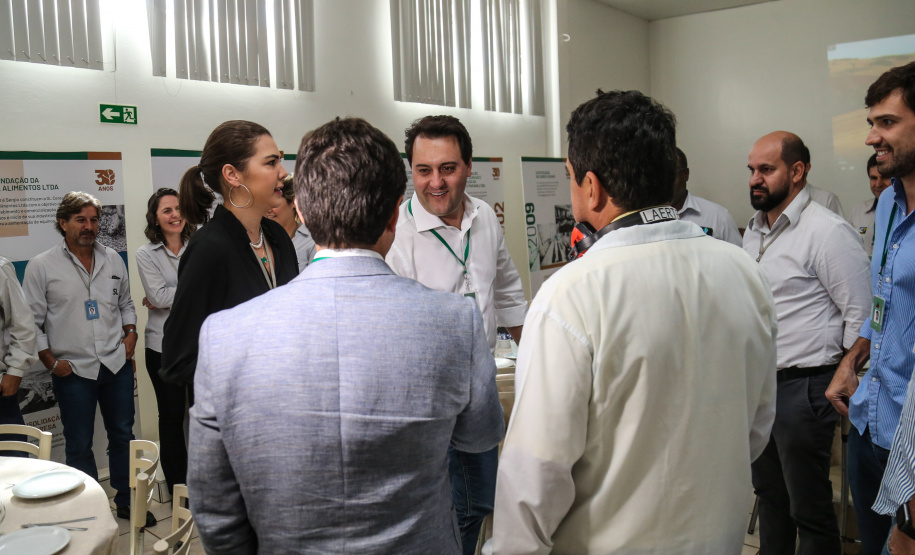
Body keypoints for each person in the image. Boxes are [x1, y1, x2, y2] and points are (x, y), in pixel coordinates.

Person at [187, 117, 504, 554]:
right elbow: (479, 437)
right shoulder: (454, 322)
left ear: (300, 211)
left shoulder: (224, 336)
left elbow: (214, 507)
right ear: (396, 211)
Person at [488, 90, 778, 554]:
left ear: (591, 186)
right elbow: (757, 426)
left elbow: (536, 473)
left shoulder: (573, 294)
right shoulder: (745, 272)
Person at [385, 114, 528, 554]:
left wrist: (538, 364)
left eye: (447, 168)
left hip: (480, 388)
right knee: (451, 511)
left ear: (468, 166)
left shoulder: (484, 215)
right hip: (428, 401)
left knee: (478, 502)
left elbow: (507, 290)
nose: (435, 183)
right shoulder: (397, 235)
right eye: (423, 170)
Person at [744, 131, 871, 555]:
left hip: (805, 388)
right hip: (761, 386)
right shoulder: (754, 231)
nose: (755, 180)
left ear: (797, 172)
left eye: (766, 169)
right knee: (770, 499)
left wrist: (846, 372)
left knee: (809, 510)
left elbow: (862, 313)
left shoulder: (827, 231)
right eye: (751, 170)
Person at [22, 191, 154, 525]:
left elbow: (125, 302)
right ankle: (91, 509)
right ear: (62, 223)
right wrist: (51, 362)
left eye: (94, 219)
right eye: (80, 219)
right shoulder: (41, 266)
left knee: (123, 436)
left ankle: (127, 502)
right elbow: (32, 322)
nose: (89, 226)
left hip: (115, 364)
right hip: (72, 371)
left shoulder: (112, 258)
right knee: (79, 444)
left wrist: (131, 333)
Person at [827, 60, 915, 555]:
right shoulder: (886, 204)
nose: (871, 138)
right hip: (868, 423)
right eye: (871, 123)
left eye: (888, 122)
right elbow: (885, 300)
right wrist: (852, 358)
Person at [160, 120, 298, 385]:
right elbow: (178, 360)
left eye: (279, 161)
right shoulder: (209, 248)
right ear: (233, 175)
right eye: (271, 163)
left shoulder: (277, 236)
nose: (283, 172)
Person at [135, 188, 193, 493]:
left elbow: (162, 297)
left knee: (200, 416)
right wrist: (193, 291)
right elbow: (156, 296)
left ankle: (203, 479)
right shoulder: (146, 253)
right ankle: (177, 485)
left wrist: (165, 299)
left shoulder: (198, 245)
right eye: (167, 211)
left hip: (197, 344)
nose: (175, 215)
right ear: (155, 219)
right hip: (162, 347)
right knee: (170, 417)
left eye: (178, 208)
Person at [0, 255, 38, 454]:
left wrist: (15, 372)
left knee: (14, 466)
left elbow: (23, 325)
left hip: (1, 393)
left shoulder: (1, 268)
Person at [671, 147, 742, 245]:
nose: (665, 182)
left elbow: (737, 258)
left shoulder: (718, 217)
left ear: (686, 174)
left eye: (671, 174)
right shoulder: (644, 217)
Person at [266, 174, 315, 272]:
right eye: (265, 202)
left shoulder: (311, 239)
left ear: (293, 202)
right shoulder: (258, 238)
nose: (268, 209)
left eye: (274, 202)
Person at [849, 153, 894, 257]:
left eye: (885, 177)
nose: (878, 184)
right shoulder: (859, 211)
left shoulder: (906, 213)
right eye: (873, 178)